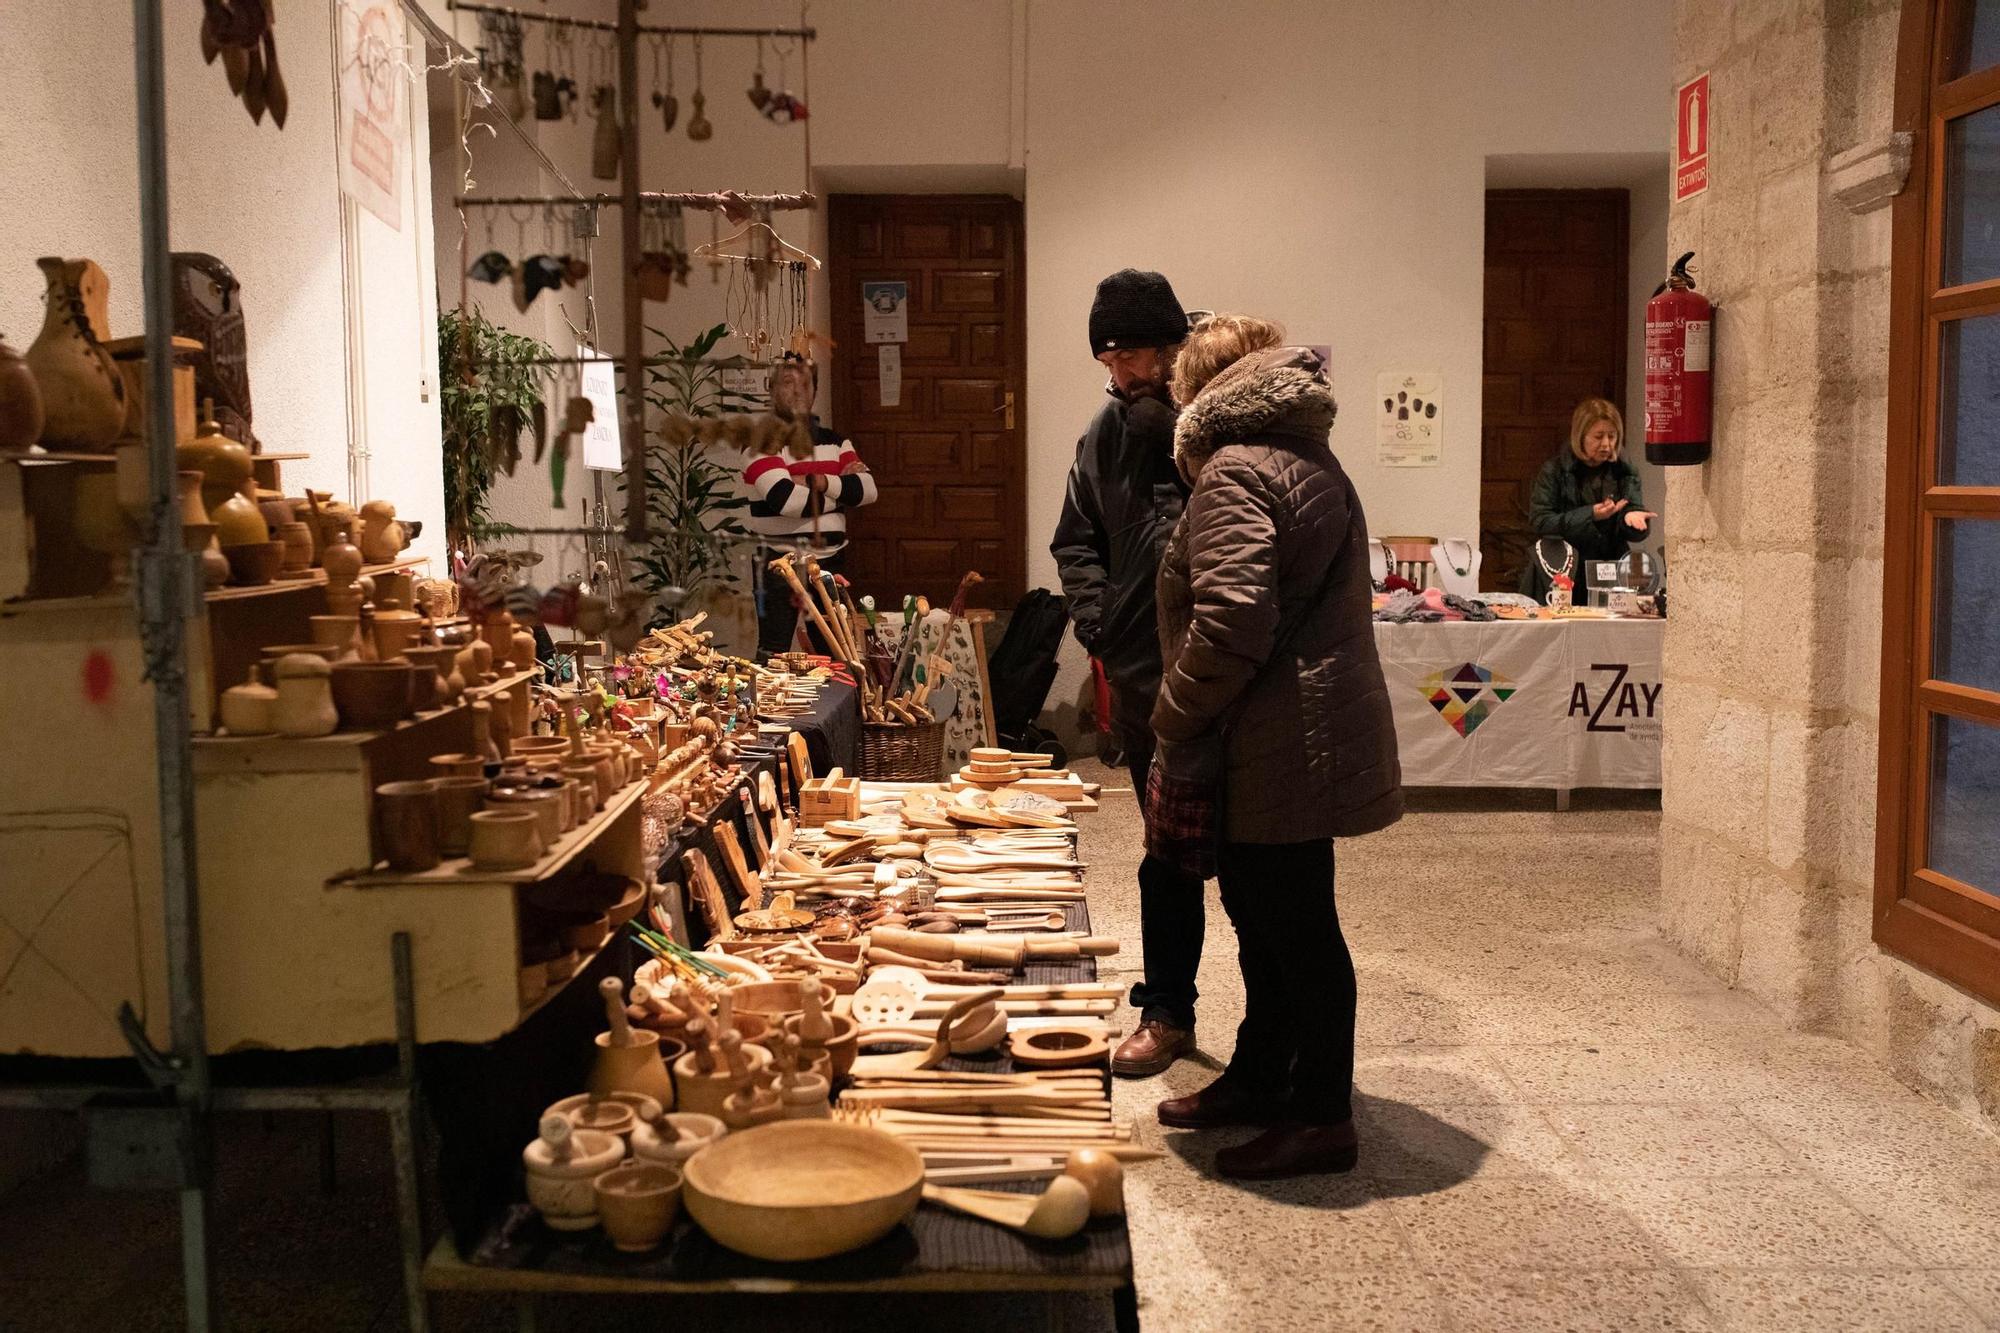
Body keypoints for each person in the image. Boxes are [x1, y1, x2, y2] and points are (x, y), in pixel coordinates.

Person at [1147, 316, 1402, 1180]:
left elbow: (1229, 623)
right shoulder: (1304, 457)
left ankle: (1323, 1115)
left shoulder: (1232, 470)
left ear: (1198, 395)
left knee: (1295, 931)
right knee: (1270, 922)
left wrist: (1171, 713)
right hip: (1298, 730)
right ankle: (1262, 1075)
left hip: (1276, 737)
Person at [1050, 268, 1207, 1078]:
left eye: (1134, 355)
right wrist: (1095, 617)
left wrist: (1179, 439)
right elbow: (1074, 539)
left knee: (1254, 862)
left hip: (1225, 682)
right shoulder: (1102, 434)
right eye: (1109, 360)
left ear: (1171, 347)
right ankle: (1168, 1010)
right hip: (1145, 678)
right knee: (1164, 850)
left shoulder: (1214, 421)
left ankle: (1274, 1031)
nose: (1121, 375)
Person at [743, 356, 877, 658]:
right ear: (771, 388)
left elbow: (869, 491)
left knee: (837, 654)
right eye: (788, 383)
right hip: (778, 565)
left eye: (806, 383)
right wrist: (842, 488)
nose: (798, 391)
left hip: (831, 563)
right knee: (774, 655)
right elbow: (785, 500)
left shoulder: (836, 442)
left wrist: (817, 481)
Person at [1518, 397, 1654, 602]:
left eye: (1612, 436)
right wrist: (1589, 515)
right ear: (1581, 436)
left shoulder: (1625, 471)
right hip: (1564, 571)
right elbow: (1541, 521)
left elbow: (1633, 524)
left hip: (1612, 571)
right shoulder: (1555, 470)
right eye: (1598, 436)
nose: (1606, 444)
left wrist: (1633, 521)